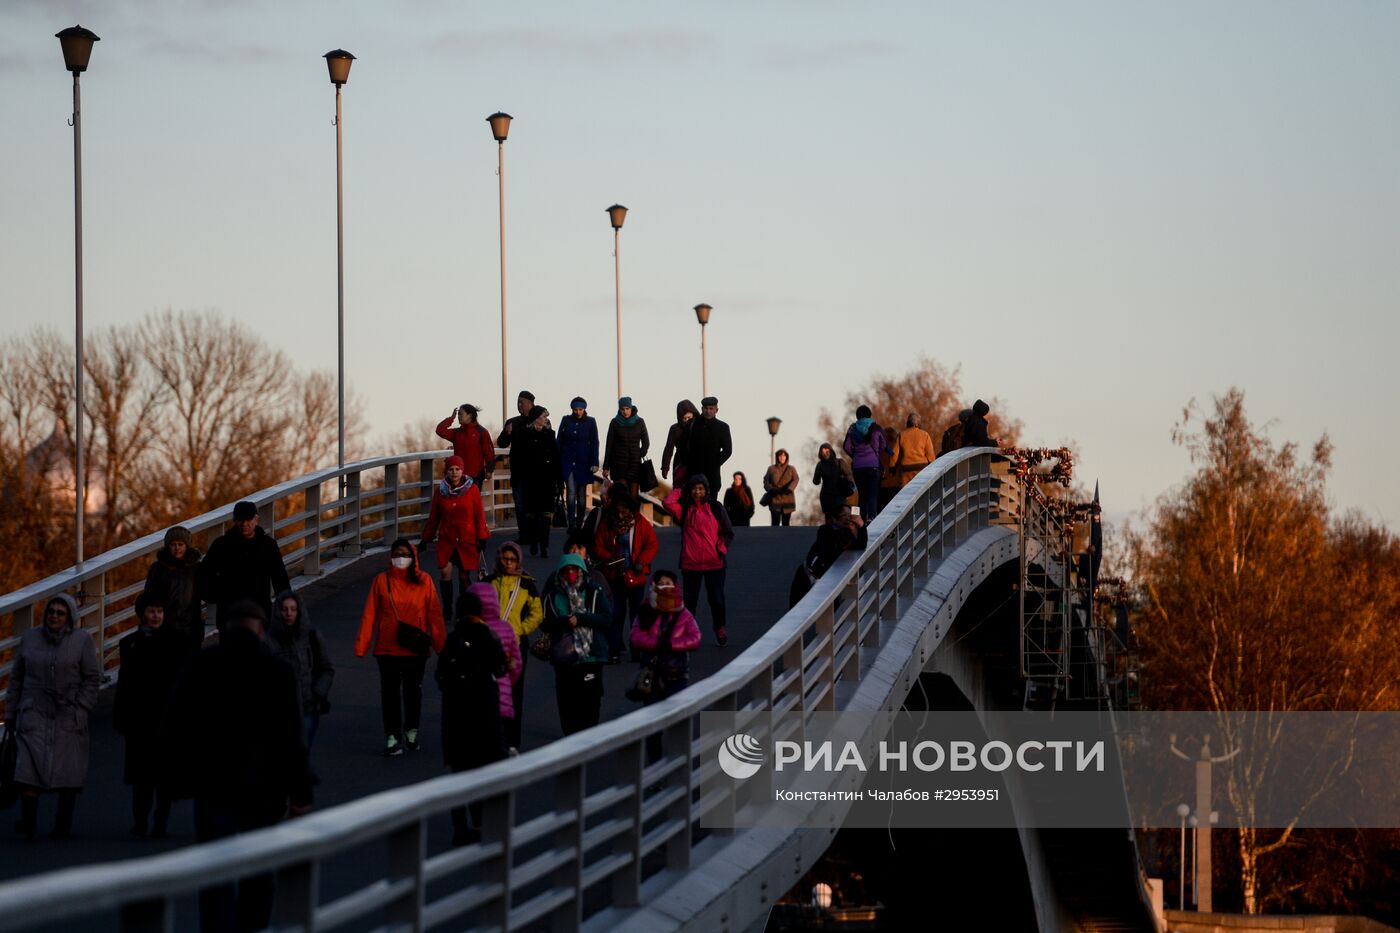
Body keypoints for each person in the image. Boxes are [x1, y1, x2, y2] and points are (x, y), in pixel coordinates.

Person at [166, 600, 312, 933]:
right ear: (261, 627)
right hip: (264, 789)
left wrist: (173, 781)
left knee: (215, 873)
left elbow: (176, 724)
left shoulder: (202, 663)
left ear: (226, 628)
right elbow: (291, 735)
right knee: (259, 871)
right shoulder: (276, 669)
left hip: (213, 786)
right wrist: (300, 792)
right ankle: (252, 927)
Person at [8, 594, 101, 839]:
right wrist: (11, 712)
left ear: (69, 616)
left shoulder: (82, 641)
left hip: (67, 711)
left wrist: (81, 706)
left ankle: (63, 824)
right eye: (51, 611)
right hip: (34, 710)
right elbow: (16, 677)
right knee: (29, 768)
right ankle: (28, 823)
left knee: (67, 770)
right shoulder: (30, 639)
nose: (55, 616)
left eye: (60, 613)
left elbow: (92, 676)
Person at [355, 539, 447, 757]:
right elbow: (370, 615)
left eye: (405, 554)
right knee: (390, 695)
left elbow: (434, 615)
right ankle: (392, 736)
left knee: (413, 692)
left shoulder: (424, 581)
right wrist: (362, 645)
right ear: (391, 556)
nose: (401, 557)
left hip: (415, 649)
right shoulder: (381, 581)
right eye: (397, 553)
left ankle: (411, 731)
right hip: (387, 648)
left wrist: (441, 646)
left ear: (413, 557)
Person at [436, 587, 509, 845]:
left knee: (459, 773)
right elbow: (500, 669)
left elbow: (440, 676)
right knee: (479, 771)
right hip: (482, 712)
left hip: (455, 714)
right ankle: (479, 824)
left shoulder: (453, 638)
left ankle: (460, 827)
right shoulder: (487, 636)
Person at [113, 593, 187, 839]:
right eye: (152, 611)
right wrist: (121, 714)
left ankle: (160, 819)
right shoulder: (130, 643)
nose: (156, 616)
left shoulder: (176, 642)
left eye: (160, 611)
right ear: (142, 613)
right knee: (141, 777)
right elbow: (124, 683)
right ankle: (141, 819)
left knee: (163, 776)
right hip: (139, 718)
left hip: (166, 717)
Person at [539, 554, 612, 735]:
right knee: (567, 704)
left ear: (581, 571)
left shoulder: (594, 592)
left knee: (590, 704)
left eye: (574, 569)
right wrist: (563, 621)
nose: (570, 573)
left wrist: (581, 618)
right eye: (566, 570)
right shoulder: (553, 596)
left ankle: (587, 743)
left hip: (591, 656)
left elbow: (607, 618)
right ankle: (570, 743)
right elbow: (545, 623)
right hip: (565, 659)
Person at [198, 500, 291, 634]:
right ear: (234, 521)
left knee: (258, 653)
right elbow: (205, 573)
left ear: (256, 520)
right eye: (240, 520)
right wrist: (215, 595)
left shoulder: (268, 545)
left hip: (260, 613)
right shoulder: (222, 545)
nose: (244, 524)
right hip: (229, 614)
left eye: (248, 519)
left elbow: (279, 577)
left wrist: (285, 605)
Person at [662, 474, 734, 646]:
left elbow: (728, 531)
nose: (697, 492)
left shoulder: (716, 508)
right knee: (690, 601)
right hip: (691, 563)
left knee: (716, 599)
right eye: (694, 489)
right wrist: (681, 489)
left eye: (700, 489)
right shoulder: (685, 509)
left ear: (706, 490)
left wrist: (720, 548)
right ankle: (688, 631)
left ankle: (719, 627)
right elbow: (667, 503)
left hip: (714, 563)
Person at [589, 487, 658, 664]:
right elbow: (597, 546)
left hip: (636, 575)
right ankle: (614, 650)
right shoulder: (607, 523)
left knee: (636, 615)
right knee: (615, 614)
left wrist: (642, 561)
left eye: (625, 509)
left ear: (630, 508)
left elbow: (652, 544)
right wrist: (608, 557)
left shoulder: (640, 523)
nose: (621, 513)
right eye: (618, 509)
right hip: (614, 576)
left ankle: (637, 648)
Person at [484, 543, 540, 750]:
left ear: (518, 561)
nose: (508, 563)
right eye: (505, 559)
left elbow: (537, 614)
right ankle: (493, 738)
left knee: (514, 694)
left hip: (516, 647)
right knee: (491, 692)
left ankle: (512, 741)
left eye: (512, 559)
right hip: (491, 647)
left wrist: (521, 630)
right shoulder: (489, 582)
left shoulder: (527, 585)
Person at [420, 455, 490, 621]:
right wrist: (426, 539)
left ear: (462, 470)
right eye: (451, 469)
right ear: (446, 471)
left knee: (464, 576)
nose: (454, 473)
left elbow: (479, 515)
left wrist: (482, 537)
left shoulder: (472, 490)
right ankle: (447, 609)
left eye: (457, 469)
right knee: (445, 571)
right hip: (447, 538)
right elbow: (434, 517)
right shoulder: (441, 491)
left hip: (467, 538)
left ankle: (465, 609)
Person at [269, 590, 334, 749]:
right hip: (281, 712)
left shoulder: (312, 636)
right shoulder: (269, 642)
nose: (289, 614)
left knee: (302, 753)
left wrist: (318, 692)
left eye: (293, 609)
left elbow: (327, 668)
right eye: (285, 609)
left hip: (308, 707)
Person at [628, 570, 701, 705]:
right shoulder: (646, 610)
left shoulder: (684, 614)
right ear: (654, 586)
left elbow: (695, 638)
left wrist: (671, 644)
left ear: (675, 586)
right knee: (652, 715)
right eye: (661, 584)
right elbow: (635, 636)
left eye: (668, 583)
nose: (665, 587)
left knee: (677, 714)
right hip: (652, 673)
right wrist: (656, 644)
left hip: (676, 674)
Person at [465, 582, 521, 754]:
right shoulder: (505, 628)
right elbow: (516, 664)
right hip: (502, 697)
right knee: (501, 746)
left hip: (474, 700)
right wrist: (506, 682)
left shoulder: (467, 630)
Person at [788, 504, 868, 607]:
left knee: (834, 613)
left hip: (827, 580)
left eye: (850, 515)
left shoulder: (849, 532)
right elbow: (831, 546)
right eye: (844, 515)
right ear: (834, 519)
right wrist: (850, 531)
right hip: (807, 578)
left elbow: (861, 545)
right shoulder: (825, 530)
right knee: (797, 612)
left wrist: (861, 525)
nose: (849, 518)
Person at [142, 524, 204, 653]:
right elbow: (148, 597)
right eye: (173, 544)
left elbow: (201, 594)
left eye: (180, 544)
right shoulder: (158, 568)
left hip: (190, 628)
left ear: (187, 546)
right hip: (163, 628)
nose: (177, 548)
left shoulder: (195, 568)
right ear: (167, 546)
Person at [513, 404, 563, 557]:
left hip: (547, 480)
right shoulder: (523, 435)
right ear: (536, 418)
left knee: (546, 515)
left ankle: (544, 544)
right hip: (530, 480)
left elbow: (556, 459)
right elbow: (516, 457)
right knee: (533, 515)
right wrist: (518, 477)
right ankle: (534, 542)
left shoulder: (549, 435)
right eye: (543, 417)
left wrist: (559, 481)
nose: (546, 419)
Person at [556, 396, 600, 531]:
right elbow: (559, 440)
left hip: (584, 462)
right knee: (570, 492)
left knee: (581, 495)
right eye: (575, 409)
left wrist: (594, 462)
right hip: (567, 461)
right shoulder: (566, 420)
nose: (578, 412)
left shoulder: (591, 422)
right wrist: (557, 461)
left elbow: (594, 443)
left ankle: (580, 522)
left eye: (580, 409)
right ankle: (572, 524)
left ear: (584, 409)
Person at [496, 389, 537, 526]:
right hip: (518, 469)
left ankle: (534, 532)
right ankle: (523, 533)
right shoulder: (512, 422)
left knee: (532, 504)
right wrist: (507, 433)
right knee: (519, 503)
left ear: (531, 404)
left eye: (522, 403)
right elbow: (502, 443)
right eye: (518, 402)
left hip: (534, 470)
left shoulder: (539, 420)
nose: (519, 405)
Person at [842, 405, 888, 521]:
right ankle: (872, 518)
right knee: (873, 494)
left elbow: (846, 446)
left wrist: (855, 455)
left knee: (861, 495)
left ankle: (860, 520)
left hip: (858, 467)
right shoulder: (876, 427)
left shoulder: (852, 429)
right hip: (873, 466)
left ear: (857, 416)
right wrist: (876, 452)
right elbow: (884, 444)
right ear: (869, 414)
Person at [436, 403, 496, 488]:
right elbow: (440, 430)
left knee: (473, 501)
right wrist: (451, 418)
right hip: (459, 476)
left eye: (461, 414)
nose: (458, 416)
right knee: (459, 501)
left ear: (469, 415)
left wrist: (489, 470)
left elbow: (489, 452)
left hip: (476, 476)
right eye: (458, 414)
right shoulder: (457, 433)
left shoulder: (481, 432)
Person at [602, 396, 650, 501]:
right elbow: (609, 445)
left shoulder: (640, 422)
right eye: (622, 409)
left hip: (635, 465)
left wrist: (639, 454)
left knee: (633, 498)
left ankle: (632, 517)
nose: (625, 412)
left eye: (627, 408)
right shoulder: (614, 423)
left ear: (631, 408)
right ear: (619, 409)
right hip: (618, 465)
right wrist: (606, 466)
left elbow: (646, 443)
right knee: (621, 496)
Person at [683, 396, 732, 496]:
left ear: (716, 410)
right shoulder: (692, 424)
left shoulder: (722, 427)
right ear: (702, 409)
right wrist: (688, 461)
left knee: (711, 506)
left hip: (712, 477)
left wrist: (715, 463)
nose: (708, 411)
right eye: (706, 408)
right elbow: (683, 445)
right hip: (693, 473)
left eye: (711, 409)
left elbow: (728, 450)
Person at [813, 442, 856, 521]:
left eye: (827, 451)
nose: (825, 453)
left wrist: (851, 485)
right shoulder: (823, 464)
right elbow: (816, 481)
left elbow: (816, 481)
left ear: (831, 451)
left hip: (835, 495)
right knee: (834, 519)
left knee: (836, 519)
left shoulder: (837, 462)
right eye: (823, 452)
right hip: (832, 496)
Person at [660, 399, 699, 483]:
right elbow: (669, 448)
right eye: (685, 418)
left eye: (689, 417)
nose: (688, 420)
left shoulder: (699, 426)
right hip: (680, 462)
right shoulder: (675, 429)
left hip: (697, 462)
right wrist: (665, 467)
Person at [896, 413, 937, 484]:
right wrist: (933, 467)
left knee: (906, 491)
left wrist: (892, 468)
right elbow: (930, 454)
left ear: (908, 422)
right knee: (920, 491)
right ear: (918, 423)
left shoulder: (901, 435)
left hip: (906, 468)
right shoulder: (925, 435)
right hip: (921, 468)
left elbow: (895, 454)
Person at [762, 450, 800, 526]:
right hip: (775, 499)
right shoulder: (771, 469)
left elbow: (796, 479)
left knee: (786, 524)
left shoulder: (791, 469)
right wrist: (771, 489)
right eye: (780, 456)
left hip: (788, 499)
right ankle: (774, 537)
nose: (782, 458)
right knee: (775, 523)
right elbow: (766, 481)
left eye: (784, 456)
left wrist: (790, 489)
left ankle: (785, 537)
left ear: (787, 457)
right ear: (777, 457)